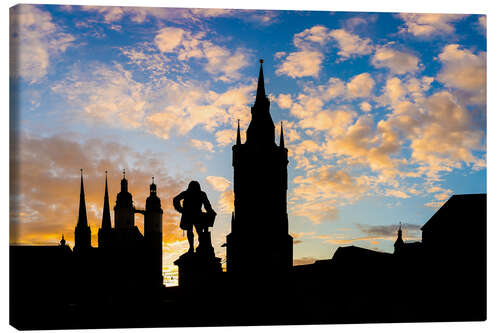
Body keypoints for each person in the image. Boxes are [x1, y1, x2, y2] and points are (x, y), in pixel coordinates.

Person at [173, 181, 216, 253]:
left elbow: (207, 205)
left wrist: (210, 212)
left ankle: (197, 246)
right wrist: (181, 209)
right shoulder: (190, 193)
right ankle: (192, 247)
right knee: (193, 231)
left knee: (197, 231)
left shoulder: (194, 193)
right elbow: (175, 200)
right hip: (190, 214)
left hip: (194, 214)